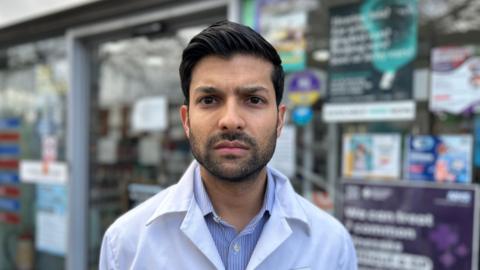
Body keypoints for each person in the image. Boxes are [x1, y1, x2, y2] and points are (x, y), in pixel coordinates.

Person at [99, 20, 357, 270]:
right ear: (186, 120)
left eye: (254, 99)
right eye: (210, 100)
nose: (231, 121)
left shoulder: (331, 245)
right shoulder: (125, 244)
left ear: (279, 120)